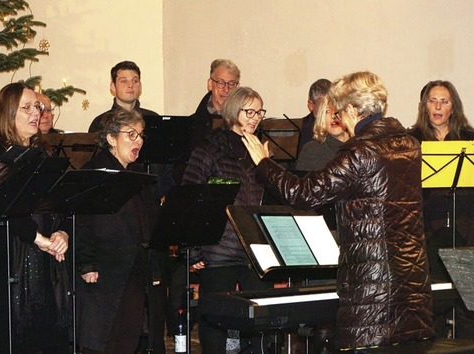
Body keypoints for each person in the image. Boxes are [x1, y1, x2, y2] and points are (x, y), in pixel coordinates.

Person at [241, 71, 434, 350]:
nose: (339, 119)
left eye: (341, 111)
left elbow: (303, 194)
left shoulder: (359, 152)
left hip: (373, 288)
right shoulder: (410, 146)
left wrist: (264, 163)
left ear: (354, 110)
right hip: (411, 281)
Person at [0, 82, 70, 353]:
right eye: (27, 107)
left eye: (37, 106)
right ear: (8, 112)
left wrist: (61, 233)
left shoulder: (43, 152)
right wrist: (39, 239)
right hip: (7, 262)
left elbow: (59, 204)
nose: (35, 112)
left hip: (43, 261)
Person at [183, 86, 269, 354]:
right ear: (233, 111)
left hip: (253, 250)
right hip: (218, 248)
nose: (255, 117)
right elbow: (191, 197)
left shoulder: (258, 149)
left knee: (257, 320)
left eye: (259, 112)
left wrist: (267, 163)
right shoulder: (211, 147)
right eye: (249, 111)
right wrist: (194, 247)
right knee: (215, 324)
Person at [76, 108, 159, 354]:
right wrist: (86, 263)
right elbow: (80, 221)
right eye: (131, 135)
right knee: (106, 340)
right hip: (104, 272)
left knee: (129, 338)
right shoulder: (96, 173)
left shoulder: (136, 173)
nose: (139, 141)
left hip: (132, 270)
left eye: (141, 135)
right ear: (111, 138)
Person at [408, 80, 474, 339]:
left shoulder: (469, 139)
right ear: (424, 106)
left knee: (467, 293)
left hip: (466, 223)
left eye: (444, 101)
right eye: (432, 100)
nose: (437, 106)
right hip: (428, 226)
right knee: (434, 294)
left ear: (453, 107)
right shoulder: (411, 139)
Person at [88, 60, 158, 133]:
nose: (130, 85)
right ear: (113, 86)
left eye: (135, 81)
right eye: (124, 81)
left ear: (140, 86)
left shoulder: (153, 120)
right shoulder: (100, 123)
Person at [189, 59, 240, 148]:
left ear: (237, 87)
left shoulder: (246, 123)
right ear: (210, 84)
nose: (226, 89)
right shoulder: (191, 125)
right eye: (220, 82)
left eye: (231, 84)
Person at [295, 95, 349, 171]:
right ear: (322, 117)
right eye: (327, 111)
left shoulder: (360, 148)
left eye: (337, 111)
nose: (333, 116)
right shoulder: (311, 150)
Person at [296, 79, 331, 155]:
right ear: (311, 105)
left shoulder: (341, 126)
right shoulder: (300, 129)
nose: (331, 110)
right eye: (324, 106)